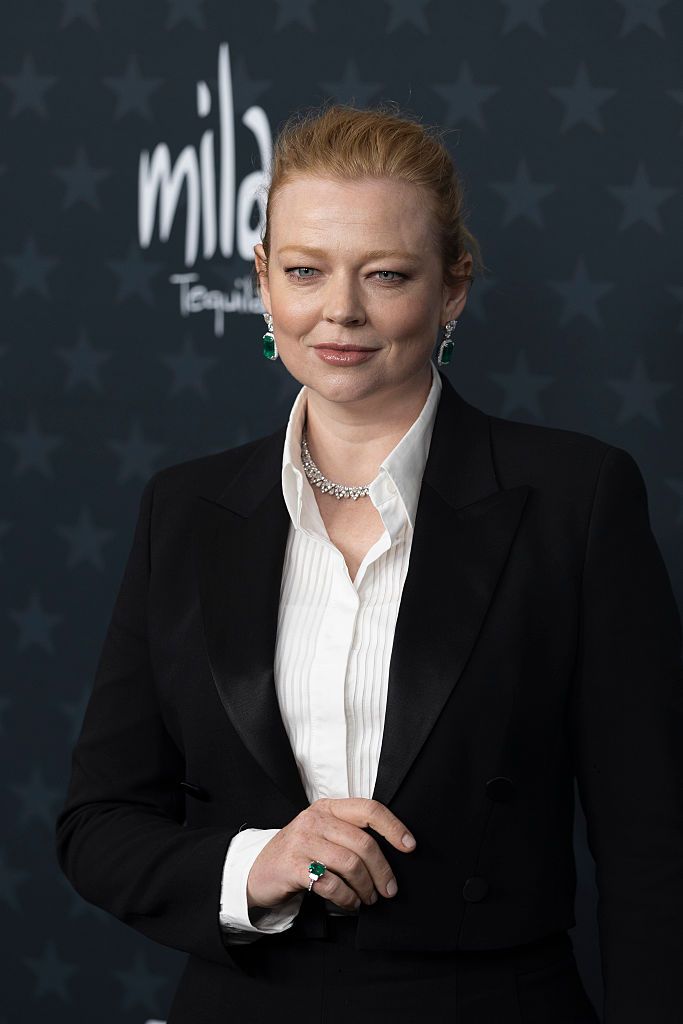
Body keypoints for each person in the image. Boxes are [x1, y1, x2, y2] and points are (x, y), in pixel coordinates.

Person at [55, 102, 683, 1024]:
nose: (339, 311)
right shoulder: (183, 510)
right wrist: (254, 862)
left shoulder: (575, 500)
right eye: (304, 271)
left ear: (453, 286)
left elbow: (651, 844)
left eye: (385, 275)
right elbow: (97, 823)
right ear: (263, 282)